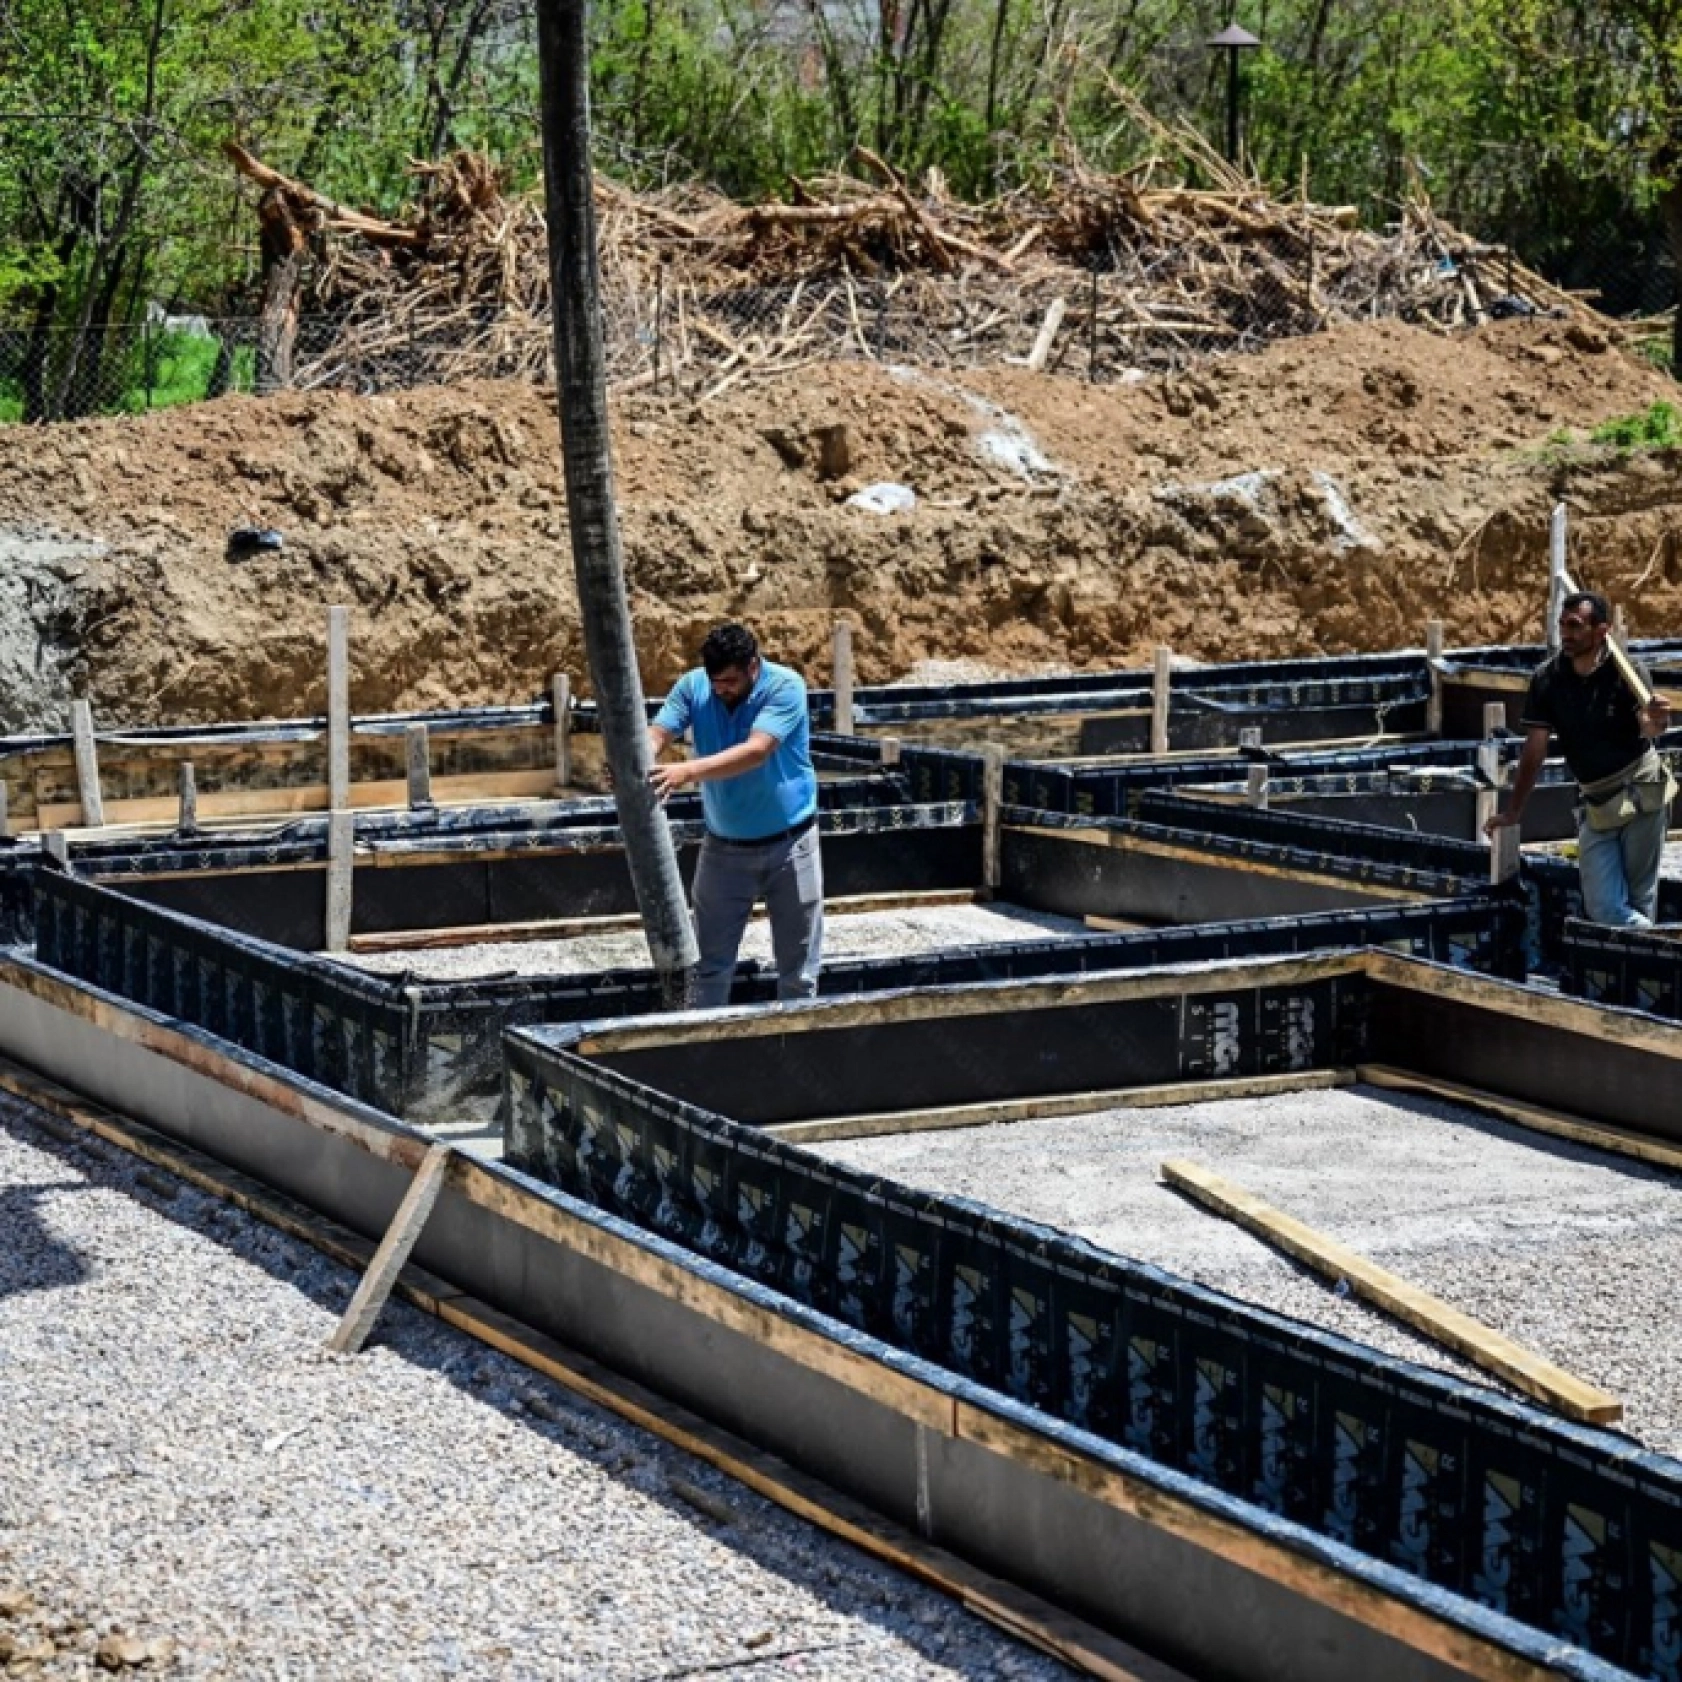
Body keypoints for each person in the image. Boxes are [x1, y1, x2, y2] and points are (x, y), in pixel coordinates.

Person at [647, 623, 823, 1007]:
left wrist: (687, 771)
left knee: (799, 971)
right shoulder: (694, 686)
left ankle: (798, 1050)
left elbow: (756, 750)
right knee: (708, 965)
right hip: (724, 849)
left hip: (792, 846)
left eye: (729, 680)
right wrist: (636, 757)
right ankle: (704, 1057)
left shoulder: (785, 687)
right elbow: (659, 732)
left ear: (753, 667)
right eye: (715, 681)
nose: (720, 689)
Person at [1484, 590, 1673, 925]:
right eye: (1562, 626)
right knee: (1604, 908)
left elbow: (1648, 727)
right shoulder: (1548, 679)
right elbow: (1535, 748)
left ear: (1602, 631)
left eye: (1575, 626)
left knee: (1639, 900)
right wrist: (1514, 811)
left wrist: (1658, 719)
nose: (1566, 635)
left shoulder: (1626, 673)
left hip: (1642, 793)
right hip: (1597, 803)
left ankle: (1638, 970)